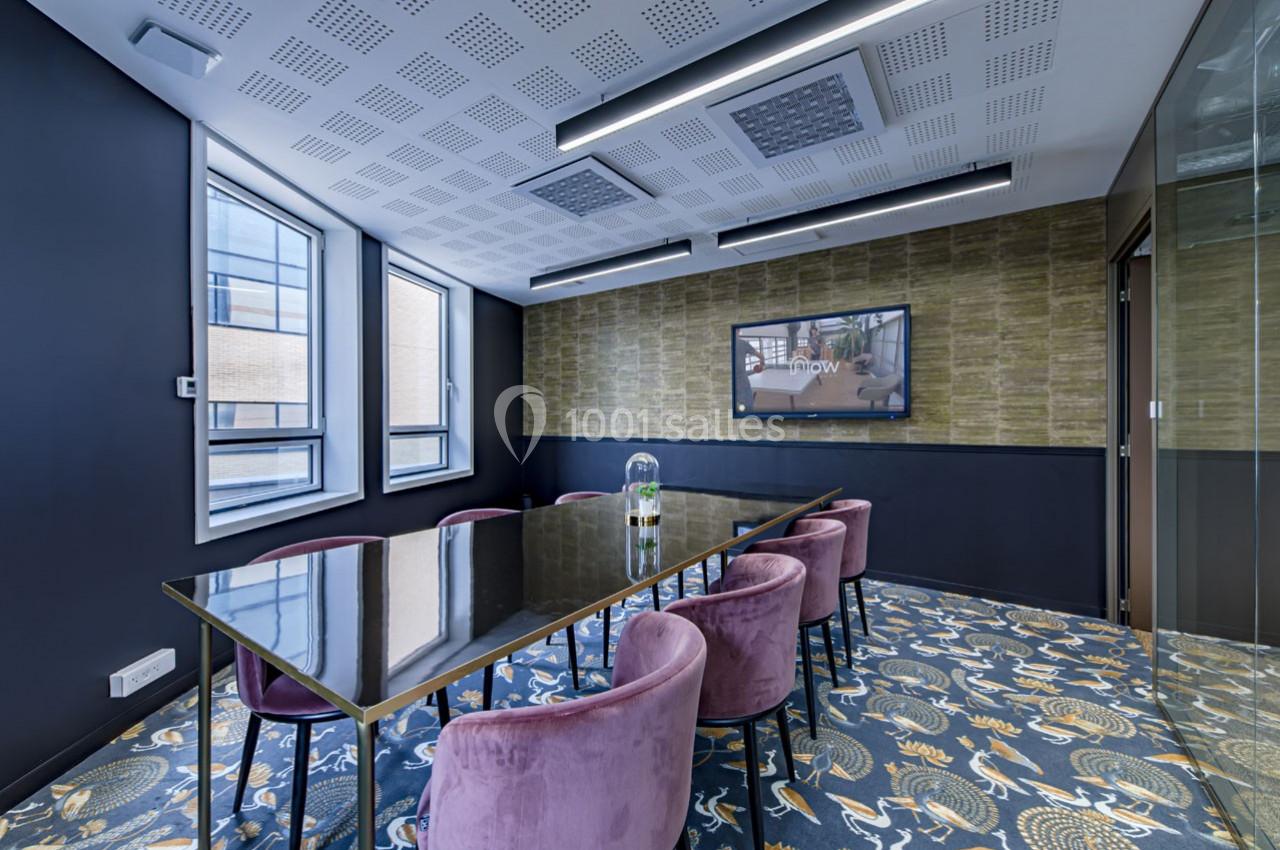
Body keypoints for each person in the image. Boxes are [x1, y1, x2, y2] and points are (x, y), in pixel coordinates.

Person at [734, 335, 765, 414]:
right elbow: (761, 356)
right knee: (747, 408)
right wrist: (761, 365)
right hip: (741, 381)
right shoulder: (742, 343)